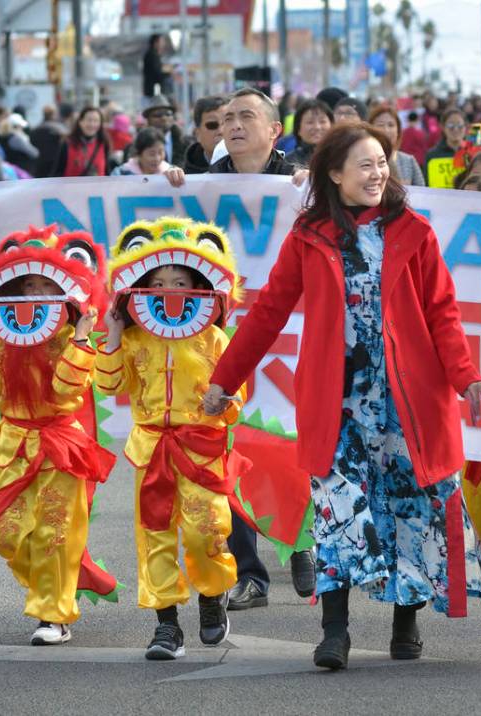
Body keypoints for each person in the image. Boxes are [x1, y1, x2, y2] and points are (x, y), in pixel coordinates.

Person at [203, 122, 481, 670]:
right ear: (334, 174)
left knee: (409, 509)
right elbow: (268, 314)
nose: (377, 173)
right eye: (364, 164)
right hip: (337, 404)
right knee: (339, 511)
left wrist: (466, 377)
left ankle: (405, 625)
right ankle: (334, 632)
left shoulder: (415, 231)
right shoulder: (310, 235)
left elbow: (443, 315)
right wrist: (224, 377)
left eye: (382, 162)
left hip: (407, 403)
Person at [164, 87, 313, 608]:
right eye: (226, 118)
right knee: (228, 450)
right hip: (219, 341)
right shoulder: (196, 185)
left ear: (275, 131)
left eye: (246, 115)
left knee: (286, 444)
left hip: (287, 340)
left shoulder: (299, 185)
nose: (233, 124)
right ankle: (251, 574)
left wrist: (311, 189)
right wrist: (170, 190)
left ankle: (301, 542)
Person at [0, 226, 116, 645]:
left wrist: (80, 335)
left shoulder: (69, 336)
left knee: (56, 531)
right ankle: (50, 589)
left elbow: (66, 390)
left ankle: (53, 615)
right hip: (15, 444)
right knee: (8, 535)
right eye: (29, 285)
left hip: (61, 443)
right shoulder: (5, 340)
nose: (37, 294)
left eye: (47, 285)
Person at [97, 218, 246, 661]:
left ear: (199, 286)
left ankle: (212, 596)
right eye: (158, 282)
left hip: (202, 447)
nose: (168, 289)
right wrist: (114, 333)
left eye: (180, 281)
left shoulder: (214, 336)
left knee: (207, 531)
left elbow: (236, 392)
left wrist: (225, 406)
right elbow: (107, 386)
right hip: (151, 448)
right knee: (155, 534)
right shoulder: (133, 338)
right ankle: (166, 625)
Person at [369, 106, 425, 186]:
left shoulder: (409, 161)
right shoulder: (362, 160)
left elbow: (422, 193)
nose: (386, 130)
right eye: (380, 125)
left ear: (398, 131)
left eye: (391, 125)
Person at [51, 106, 111, 177]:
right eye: (89, 120)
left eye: (96, 121)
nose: (92, 124)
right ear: (80, 122)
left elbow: (107, 171)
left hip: (98, 187)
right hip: (72, 187)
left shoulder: (104, 143)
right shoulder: (67, 143)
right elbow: (57, 172)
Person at [424, 107, 468, 188]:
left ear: (465, 127)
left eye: (460, 125)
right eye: (451, 125)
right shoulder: (432, 155)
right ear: (443, 127)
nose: (455, 129)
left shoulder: (472, 153)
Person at [284, 99, 334, 170]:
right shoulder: (288, 162)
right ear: (298, 129)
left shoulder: (341, 158)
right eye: (310, 122)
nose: (317, 127)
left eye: (322, 121)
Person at [183, 96, 226, 174]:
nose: (221, 131)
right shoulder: (183, 178)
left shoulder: (251, 168)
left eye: (227, 123)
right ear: (197, 134)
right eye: (212, 125)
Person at [142, 96, 189, 167]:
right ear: (148, 120)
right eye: (157, 115)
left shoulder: (187, 144)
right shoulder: (138, 147)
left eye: (168, 114)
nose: (164, 118)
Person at [29, 105, 69, 179]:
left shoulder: (35, 129)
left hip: (39, 164)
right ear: (54, 114)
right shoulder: (61, 129)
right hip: (55, 164)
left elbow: (31, 144)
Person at [143, 34, 174, 102]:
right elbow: (157, 73)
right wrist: (168, 73)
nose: (163, 44)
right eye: (161, 41)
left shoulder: (154, 55)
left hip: (154, 90)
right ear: (156, 43)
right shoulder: (152, 55)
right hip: (154, 90)